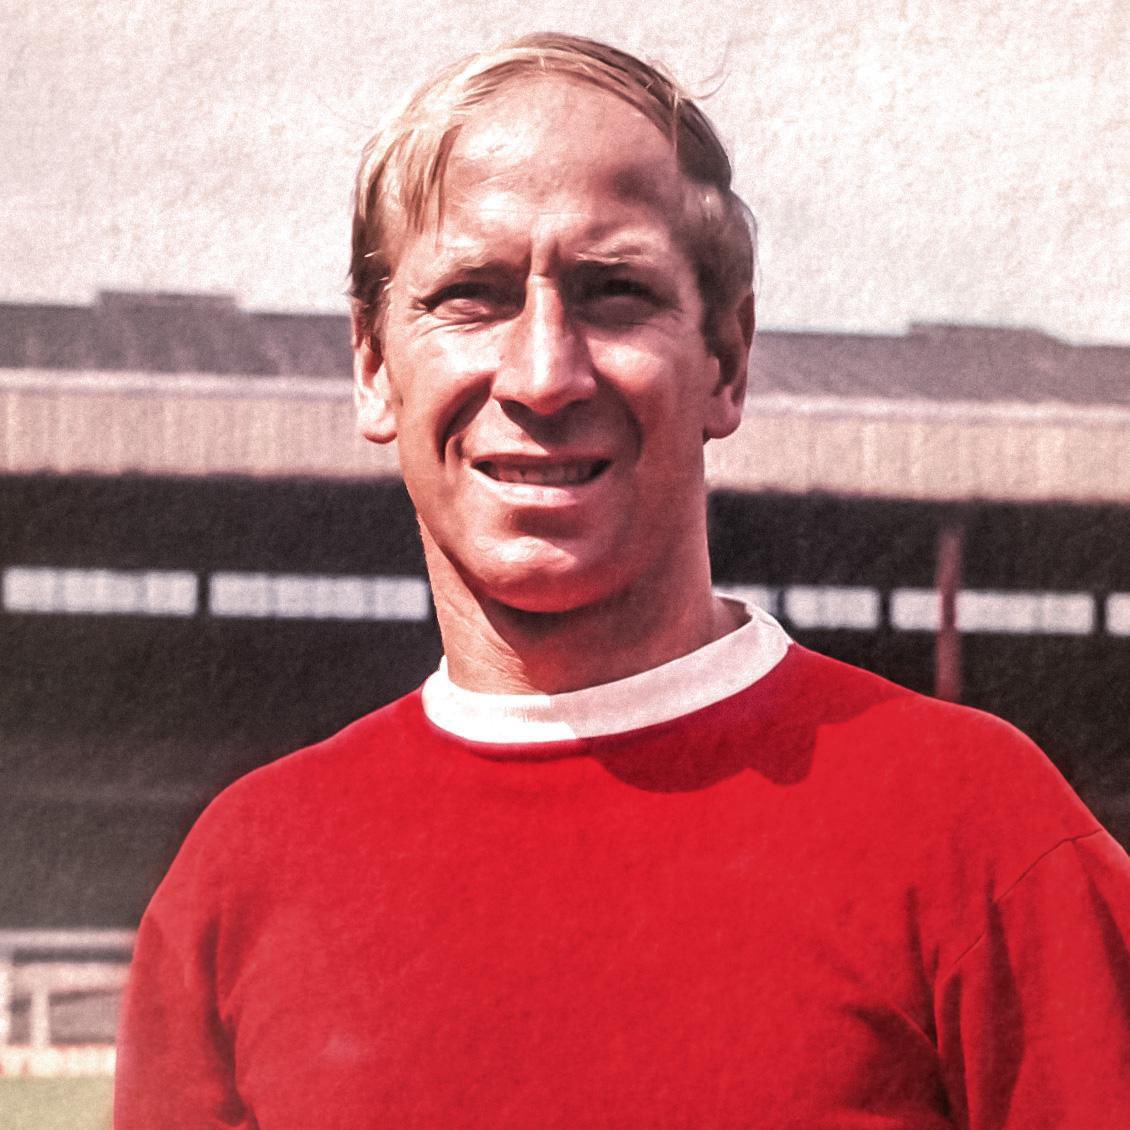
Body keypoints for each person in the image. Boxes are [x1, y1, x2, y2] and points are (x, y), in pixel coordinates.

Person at [115, 33, 1130, 1129]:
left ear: (726, 359)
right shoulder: (239, 878)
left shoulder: (982, 830)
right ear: (373, 366)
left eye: (613, 293)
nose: (543, 375)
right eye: (471, 296)